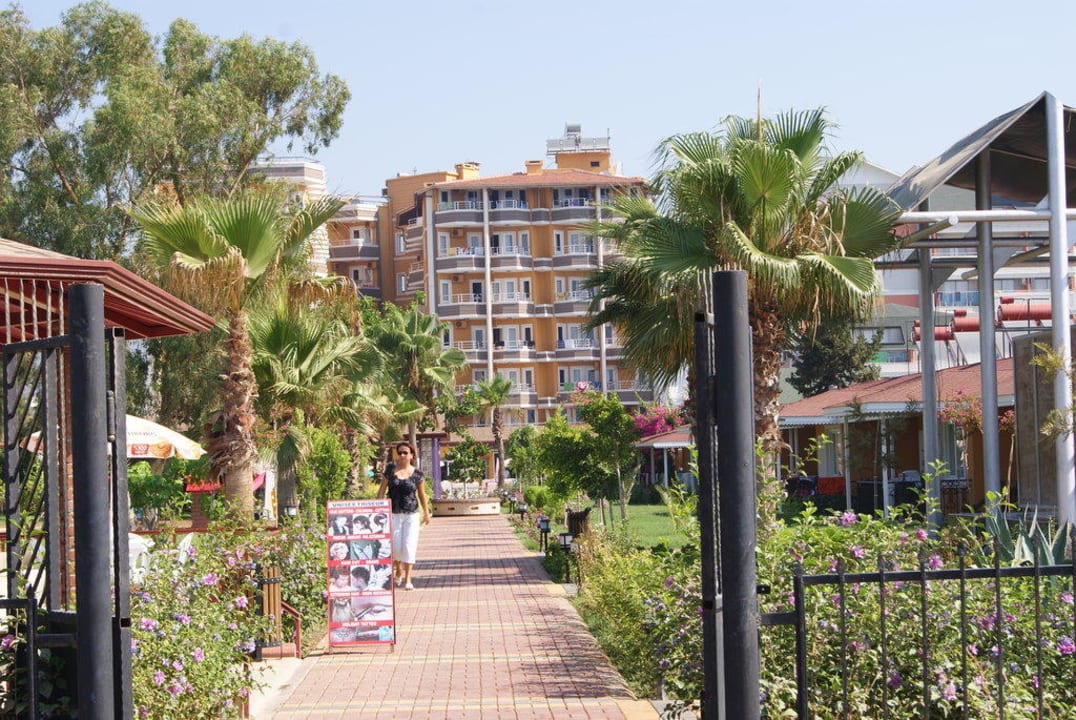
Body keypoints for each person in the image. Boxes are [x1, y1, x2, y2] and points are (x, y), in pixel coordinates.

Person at [377, 441, 430, 590]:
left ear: (411, 455)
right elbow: (382, 490)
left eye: (405, 452)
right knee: (395, 546)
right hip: (393, 513)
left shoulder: (417, 474)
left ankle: (408, 578)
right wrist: (376, 508)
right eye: (399, 452)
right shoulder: (390, 470)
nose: (402, 455)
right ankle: (398, 569)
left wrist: (426, 513)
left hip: (411, 514)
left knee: (408, 545)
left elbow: (421, 495)